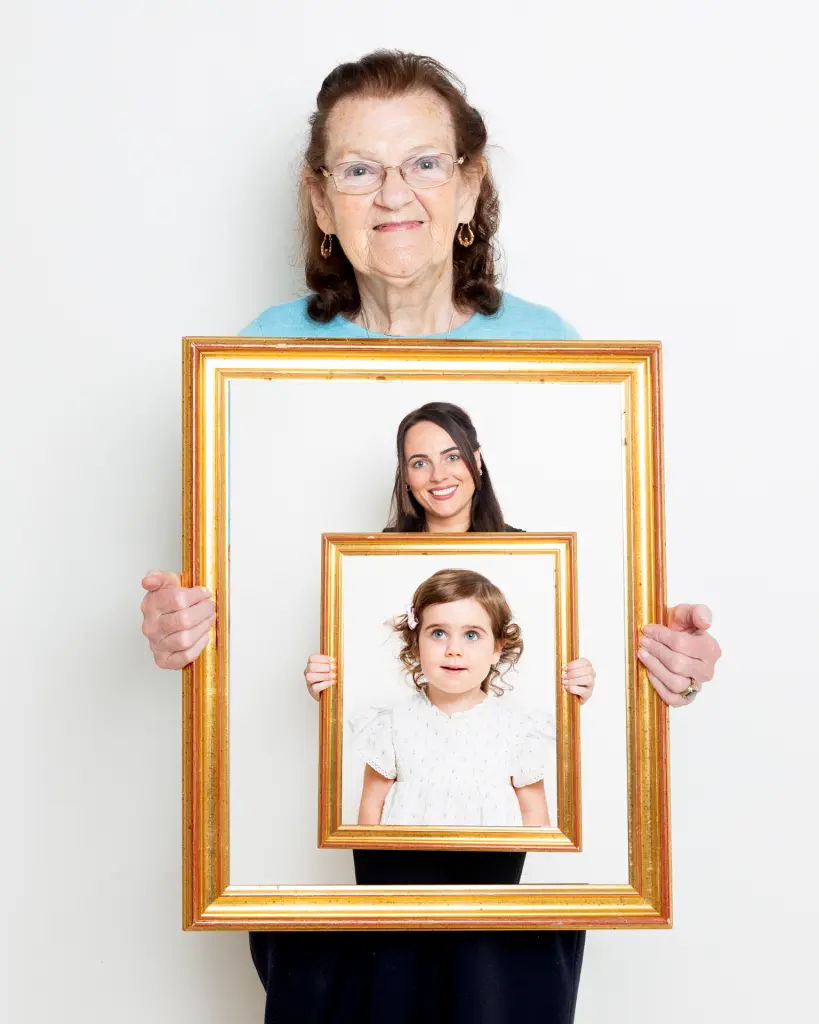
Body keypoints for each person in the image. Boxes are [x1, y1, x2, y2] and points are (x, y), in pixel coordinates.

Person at [140, 50, 723, 1024]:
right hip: (318, 845)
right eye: (359, 169)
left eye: (423, 163)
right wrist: (182, 626)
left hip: (501, 863)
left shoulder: (555, 354)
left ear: (470, 185)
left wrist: (665, 657)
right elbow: (241, 613)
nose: (392, 193)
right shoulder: (258, 360)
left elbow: (585, 600)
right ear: (321, 202)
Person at [352, 566, 582, 828]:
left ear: (497, 648)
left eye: (471, 635)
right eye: (438, 633)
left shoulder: (519, 728)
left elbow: (534, 815)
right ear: (416, 644)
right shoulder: (392, 723)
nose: (454, 650)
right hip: (402, 865)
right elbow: (371, 809)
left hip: (491, 866)